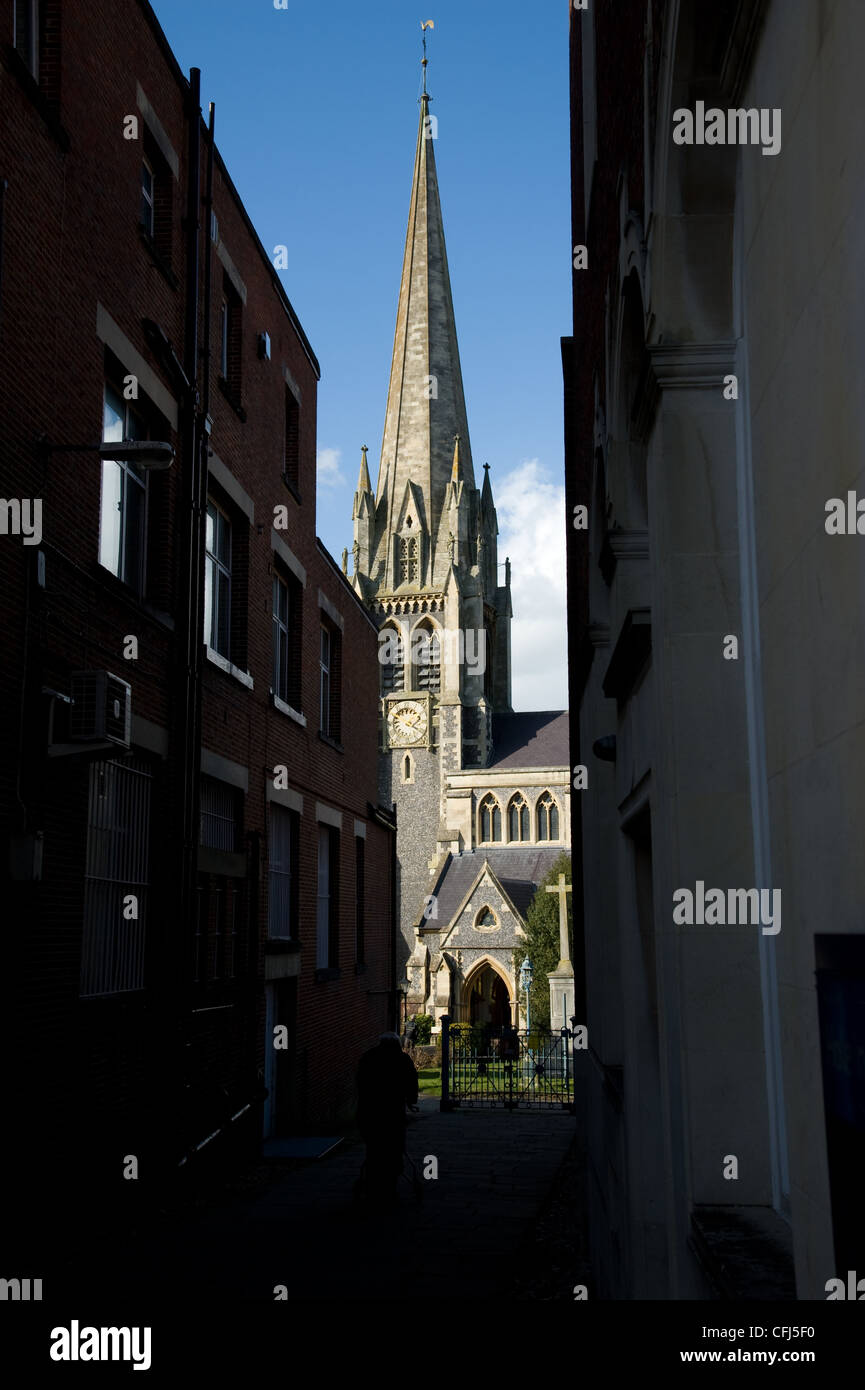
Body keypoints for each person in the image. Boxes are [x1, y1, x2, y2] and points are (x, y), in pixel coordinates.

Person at [355, 1033, 418, 1201]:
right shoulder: (402, 1060)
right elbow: (412, 1082)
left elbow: (360, 1081)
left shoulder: (369, 1057)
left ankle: (372, 1184)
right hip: (392, 1113)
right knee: (394, 1148)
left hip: (370, 1113)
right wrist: (411, 1101)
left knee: (374, 1148)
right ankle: (390, 1186)